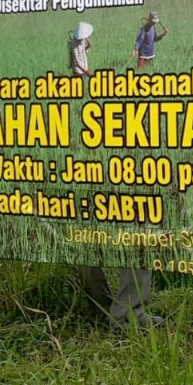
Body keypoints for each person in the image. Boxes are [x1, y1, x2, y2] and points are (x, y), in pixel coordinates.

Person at [67, 21, 163, 328]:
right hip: (112, 176)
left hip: (85, 171)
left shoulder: (75, 101)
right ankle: (126, 313)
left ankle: (99, 304)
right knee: (140, 234)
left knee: (86, 232)